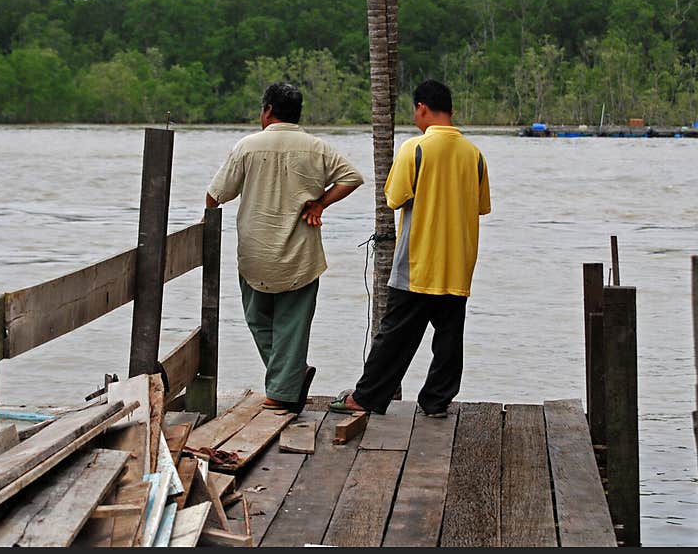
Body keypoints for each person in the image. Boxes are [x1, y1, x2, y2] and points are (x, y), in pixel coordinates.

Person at [330, 79, 491, 417]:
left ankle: (367, 396)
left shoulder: (414, 149)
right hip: (458, 262)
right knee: (449, 338)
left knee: (394, 335)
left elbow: (394, 197)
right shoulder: (475, 155)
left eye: (415, 111)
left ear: (422, 108)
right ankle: (436, 401)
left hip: (418, 260)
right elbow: (480, 206)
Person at [206, 82, 364, 414]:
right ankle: (290, 377)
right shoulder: (317, 148)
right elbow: (351, 177)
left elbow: (216, 195)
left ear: (266, 111)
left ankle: (281, 390)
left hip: (255, 252)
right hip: (300, 254)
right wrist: (320, 204)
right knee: (292, 325)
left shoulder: (247, 147)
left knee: (256, 318)